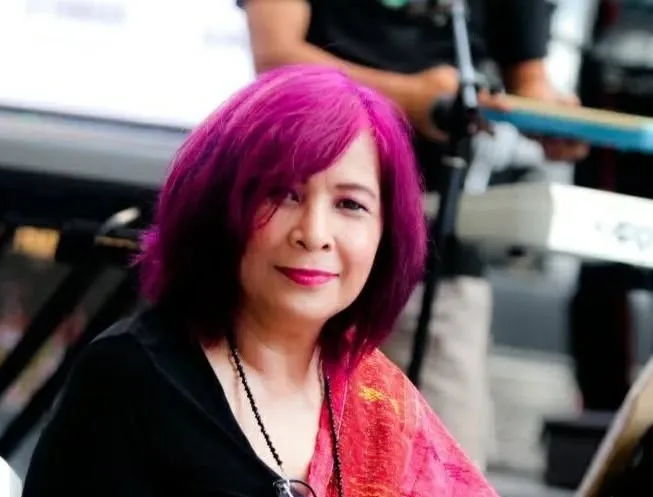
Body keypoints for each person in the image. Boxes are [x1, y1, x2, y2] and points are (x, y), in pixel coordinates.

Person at [5, 66, 512, 497]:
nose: (314, 233)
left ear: (386, 234)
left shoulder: (379, 401)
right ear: (218, 207)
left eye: (350, 204)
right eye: (282, 195)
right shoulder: (129, 379)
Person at [240, 0, 588, 468]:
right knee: (265, 442)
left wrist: (550, 117)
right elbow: (277, 58)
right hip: (297, 222)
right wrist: (410, 96)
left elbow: (529, 79)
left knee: (447, 466)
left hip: (434, 239)